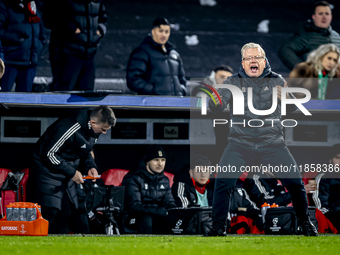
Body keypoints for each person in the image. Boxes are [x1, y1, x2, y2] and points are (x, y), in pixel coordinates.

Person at [205, 42, 318, 236]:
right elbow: (215, 105)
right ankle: (217, 227)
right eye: (249, 58)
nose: (253, 61)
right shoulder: (232, 82)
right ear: (243, 62)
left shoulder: (277, 80)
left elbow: (293, 110)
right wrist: (213, 102)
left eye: (256, 57)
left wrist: (287, 101)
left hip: (272, 143)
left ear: (264, 61)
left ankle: (305, 223)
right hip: (240, 144)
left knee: (295, 183)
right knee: (223, 182)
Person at [27, 105, 116, 234]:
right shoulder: (70, 126)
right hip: (45, 171)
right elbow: (49, 154)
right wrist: (72, 172)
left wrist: (91, 166)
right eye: (103, 129)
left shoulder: (93, 130)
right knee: (49, 213)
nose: (104, 133)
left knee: (66, 213)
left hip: (64, 172)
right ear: (93, 122)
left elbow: (85, 151)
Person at [43, 0, 107, 91]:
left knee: (86, 94)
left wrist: (100, 31)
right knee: (64, 92)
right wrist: (72, 29)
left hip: (89, 52)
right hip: (67, 51)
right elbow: (50, 17)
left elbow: (102, 16)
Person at [122, 145, 176, 234]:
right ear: (147, 162)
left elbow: (169, 203)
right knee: (147, 218)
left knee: (174, 217)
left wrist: (172, 212)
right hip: (133, 218)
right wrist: (160, 211)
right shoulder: (132, 178)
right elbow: (134, 207)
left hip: (157, 217)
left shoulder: (165, 180)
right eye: (156, 160)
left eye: (163, 160)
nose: (160, 164)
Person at [126, 17, 187, 96]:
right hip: (154, 105)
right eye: (160, 31)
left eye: (166, 32)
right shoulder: (142, 52)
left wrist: (181, 90)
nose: (163, 35)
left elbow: (182, 79)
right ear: (153, 31)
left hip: (176, 105)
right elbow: (133, 80)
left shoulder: (174, 54)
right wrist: (154, 91)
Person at [279, 1, 340, 70]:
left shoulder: (337, 36)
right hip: (315, 79)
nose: (324, 17)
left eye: (327, 14)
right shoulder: (306, 35)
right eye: (320, 14)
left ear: (331, 16)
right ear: (313, 16)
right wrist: (302, 69)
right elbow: (285, 50)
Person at [0, 0, 45, 92]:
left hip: (30, 63)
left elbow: (41, 33)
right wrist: (15, 39)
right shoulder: (6, 5)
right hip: (9, 61)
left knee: (25, 101)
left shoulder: (34, 7)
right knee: (3, 97)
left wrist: (37, 47)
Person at [313, 144, 340, 232]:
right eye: (338, 158)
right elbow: (321, 207)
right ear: (330, 160)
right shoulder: (323, 177)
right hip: (333, 216)